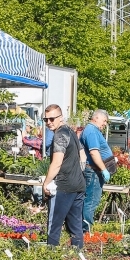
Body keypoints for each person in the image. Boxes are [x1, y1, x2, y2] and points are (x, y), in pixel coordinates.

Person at [42, 104, 86, 248]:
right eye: (46, 119)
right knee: (76, 226)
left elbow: (56, 163)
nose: (49, 122)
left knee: (54, 225)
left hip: (63, 186)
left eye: (52, 119)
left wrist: (46, 184)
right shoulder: (71, 131)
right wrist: (77, 173)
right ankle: (77, 256)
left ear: (60, 118)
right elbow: (83, 156)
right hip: (78, 185)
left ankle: (50, 257)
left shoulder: (60, 135)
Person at [79, 109, 115, 233]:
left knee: (90, 200)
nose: (105, 124)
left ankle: (84, 229)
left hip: (94, 171)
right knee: (91, 201)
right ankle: (85, 231)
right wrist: (104, 169)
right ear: (96, 118)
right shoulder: (91, 131)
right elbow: (94, 152)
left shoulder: (93, 130)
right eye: (104, 121)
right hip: (93, 171)